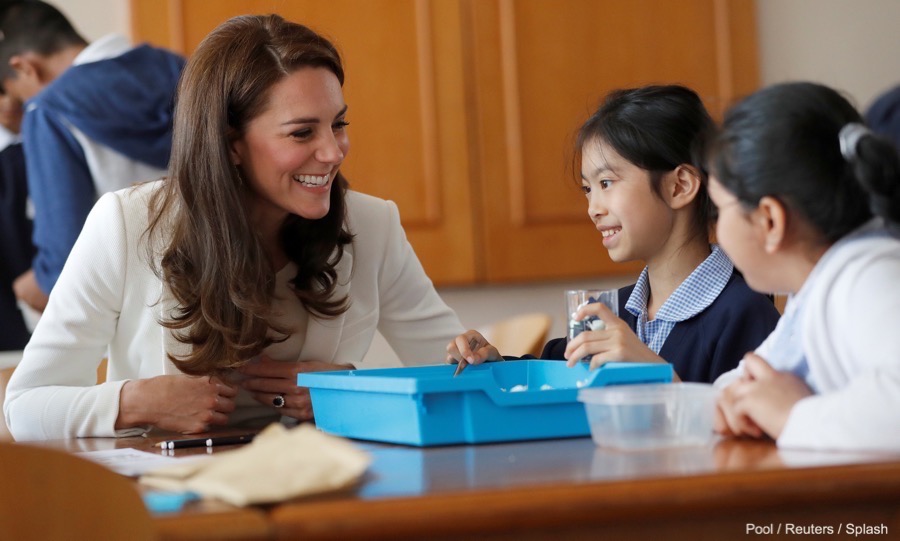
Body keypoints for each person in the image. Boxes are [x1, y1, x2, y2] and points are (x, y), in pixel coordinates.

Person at [4, 14, 464, 441]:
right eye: (302, 133)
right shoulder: (126, 223)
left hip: (326, 492)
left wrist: (347, 390)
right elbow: (24, 408)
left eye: (338, 124)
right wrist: (136, 402)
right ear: (230, 144)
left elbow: (455, 379)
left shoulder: (371, 223)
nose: (333, 151)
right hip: (172, 501)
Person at [446, 85, 780, 383]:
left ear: (680, 186)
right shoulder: (612, 310)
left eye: (606, 183)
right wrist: (493, 365)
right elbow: (554, 384)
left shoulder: (743, 313)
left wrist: (656, 375)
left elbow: (751, 440)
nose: (593, 207)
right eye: (588, 189)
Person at [710, 82, 900, 452]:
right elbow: (746, 379)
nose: (716, 229)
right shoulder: (812, 291)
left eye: (719, 209)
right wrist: (735, 401)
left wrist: (792, 415)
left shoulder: (868, 278)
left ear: (769, 220)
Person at [0, 1, 185, 312]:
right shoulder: (180, 68)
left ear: (25, 67)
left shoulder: (48, 112)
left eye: (20, 97)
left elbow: (64, 257)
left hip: (134, 306)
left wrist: (39, 282)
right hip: (225, 282)